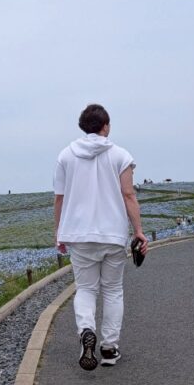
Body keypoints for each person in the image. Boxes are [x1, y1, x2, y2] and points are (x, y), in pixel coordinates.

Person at [53, 104, 148, 371]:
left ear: (83, 127)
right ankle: (109, 347)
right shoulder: (121, 155)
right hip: (113, 234)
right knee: (113, 290)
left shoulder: (65, 156)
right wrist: (138, 231)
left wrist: (59, 232)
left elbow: (59, 198)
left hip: (79, 235)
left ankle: (86, 330)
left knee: (85, 289)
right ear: (105, 125)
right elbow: (129, 195)